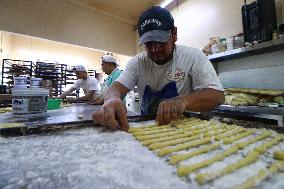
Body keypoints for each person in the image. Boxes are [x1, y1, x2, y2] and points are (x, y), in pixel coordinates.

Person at [92, 6, 225, 131]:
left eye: (160, 41)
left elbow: (217, 96)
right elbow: (116, 88)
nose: (155, 49)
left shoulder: (193, 56)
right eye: (149, 44)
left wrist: (183, 101)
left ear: (174, 34)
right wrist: (112, 99)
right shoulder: (137, 63)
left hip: (186, 129)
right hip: (150, 128)